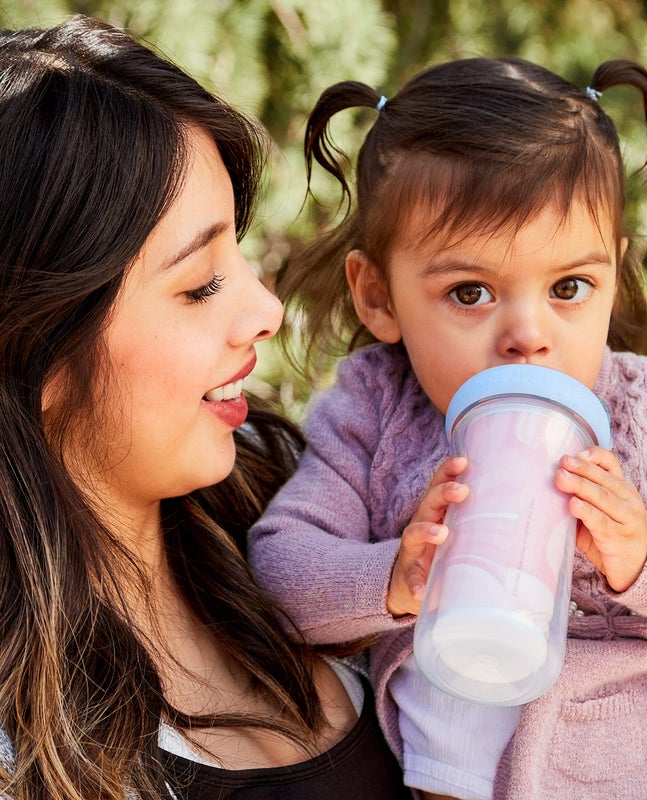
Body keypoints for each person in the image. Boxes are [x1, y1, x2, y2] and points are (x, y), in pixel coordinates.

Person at [248, 54, 647, 800]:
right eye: (470, 292)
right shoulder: (374, 412)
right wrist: (391, 576)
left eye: (570, 287)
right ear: (377, 296)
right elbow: (280, 577)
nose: (528, 335)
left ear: (614, 274)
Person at [0, 14, 414, 800]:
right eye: (199, 286)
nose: (266, 310)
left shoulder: (322, 509)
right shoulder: (26, 760)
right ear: (35, 347)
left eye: (241, 254)